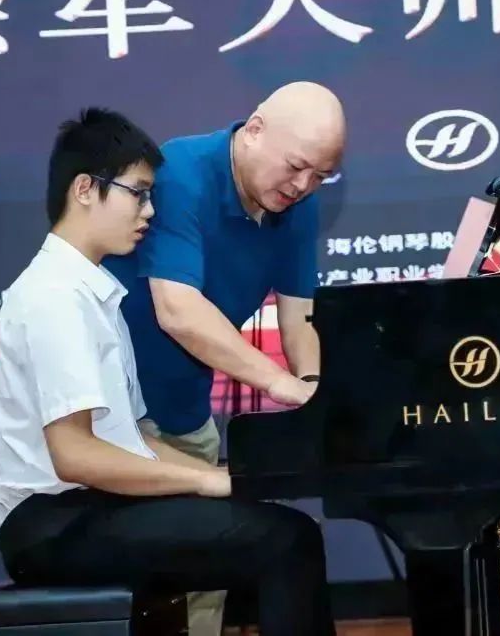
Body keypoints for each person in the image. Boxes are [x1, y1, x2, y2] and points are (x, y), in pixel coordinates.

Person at [0, 107, 335, 636]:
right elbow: (75, 456)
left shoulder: (94, 292)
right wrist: (206, 479)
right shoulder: (54, 296)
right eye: (139, 194)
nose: (150, 211)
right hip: (54, 525)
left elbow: (128, 441)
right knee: (286, 540)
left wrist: (232, 480)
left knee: (279, 529)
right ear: (85, 189)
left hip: (88, 510)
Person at [102, 81, 345, 635]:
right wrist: (282, 385)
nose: (303, 186)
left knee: (205, 597)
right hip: (116, 422)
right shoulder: (181, 174)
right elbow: (178, 311)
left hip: (187, 417)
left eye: (321, 176)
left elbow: (299, 316)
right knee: (154, 597)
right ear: (254, 130)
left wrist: (314, 386)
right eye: (296, 167)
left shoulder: (298, 203)